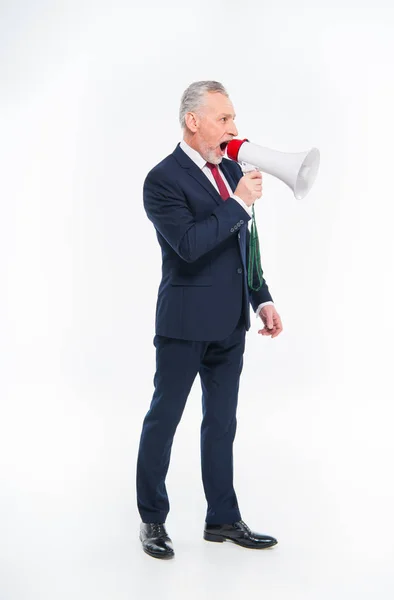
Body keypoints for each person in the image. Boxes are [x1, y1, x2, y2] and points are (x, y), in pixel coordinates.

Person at [136, 81, 283, 560]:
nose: (233, 129)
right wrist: (238, 202)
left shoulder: (232, 169)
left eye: (233, 118)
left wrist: (261, 298)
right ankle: (153, 520)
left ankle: (221, 517)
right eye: (223, 119)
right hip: (182, 325)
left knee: (221, 424)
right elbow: (191, 246)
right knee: (165, 419)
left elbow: (246, 244)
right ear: (193, 121)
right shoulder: (162, 179)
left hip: (229, 324)